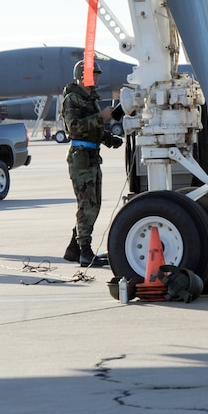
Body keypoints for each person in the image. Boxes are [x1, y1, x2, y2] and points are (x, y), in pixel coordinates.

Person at [61, 59, 123, 267]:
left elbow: (91, 130)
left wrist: (107, 138)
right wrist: (101, 117)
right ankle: (85, 252)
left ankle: (74, 248)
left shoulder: (89, 98)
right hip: (81, 158)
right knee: (88, 205)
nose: (96, 77)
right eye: (92, 74)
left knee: (91, 204)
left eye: (97, 74)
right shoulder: (73, 99)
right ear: (81, 76)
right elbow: (74, 127)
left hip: (91, 156)